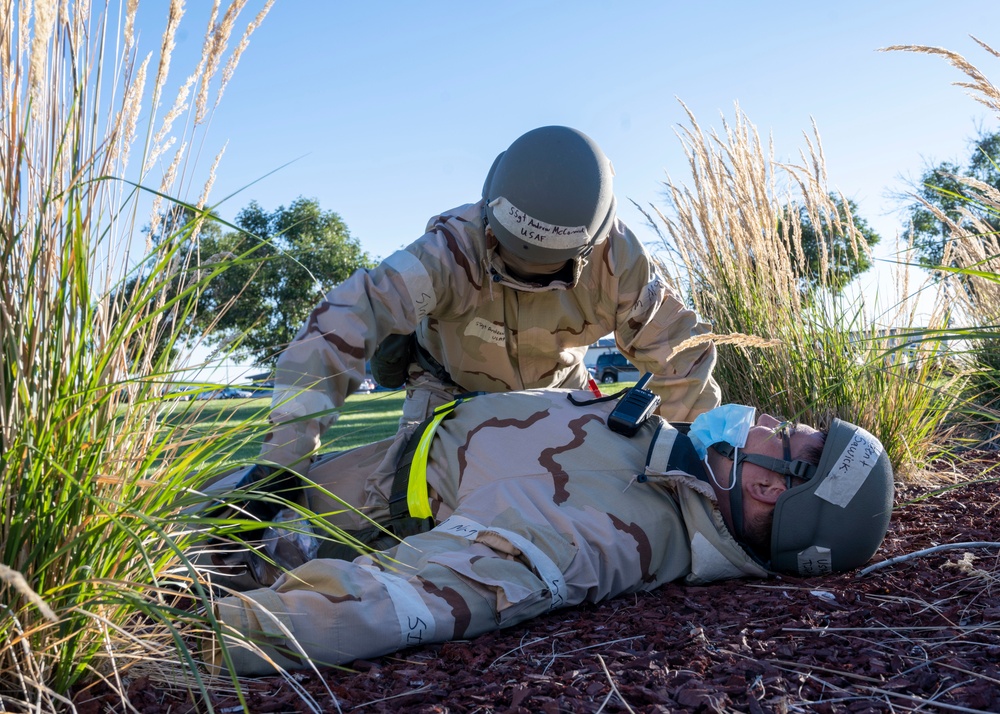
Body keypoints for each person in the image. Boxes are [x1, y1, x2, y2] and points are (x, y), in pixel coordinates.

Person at [201, 387, 894, 676]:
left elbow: (394, 610)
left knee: (156, 533)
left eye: (790, 437)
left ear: (772, 489)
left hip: (307, 518)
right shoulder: (675, 460)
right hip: (357, 464)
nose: (772, 420)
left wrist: (172, 641)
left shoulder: (609, 536)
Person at [259, 125, 721, 494]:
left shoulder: (618, 263)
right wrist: (283, 458)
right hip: (445, 391)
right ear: (489, 219)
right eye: (508, 256)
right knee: (404, 504)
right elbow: (346, 320)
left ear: (589, 246)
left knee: (572, 500)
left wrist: (684, 470)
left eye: (548, 270)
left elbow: (682, 358)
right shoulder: (447, 250)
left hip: (559, 396)